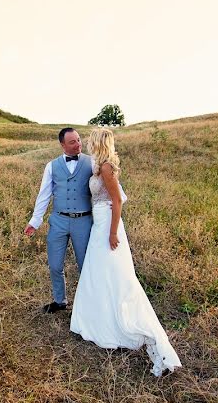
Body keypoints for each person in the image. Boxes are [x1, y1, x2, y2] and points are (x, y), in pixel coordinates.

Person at [70, 128, 181, 376]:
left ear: (98, 143)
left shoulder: (107, 167)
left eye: (90, 141)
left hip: (108, 225)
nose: (87, 143)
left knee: (116, 276)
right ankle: (101, 323)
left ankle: (130, 328)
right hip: (99, 223)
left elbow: (117, 201)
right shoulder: (99, 166)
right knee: (99, 273)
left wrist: (112, 233)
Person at [24, 127, 93, 313]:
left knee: (85, 265)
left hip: (84, 221)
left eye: (79, 140)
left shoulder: (92, 163)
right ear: (62, 145)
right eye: (73, 142)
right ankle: (59, 301)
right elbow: (44, 195)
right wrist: (35, 221)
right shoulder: (51, 166)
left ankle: (88, 303)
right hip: (59, 221)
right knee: (55, 264)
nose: (78, 144)